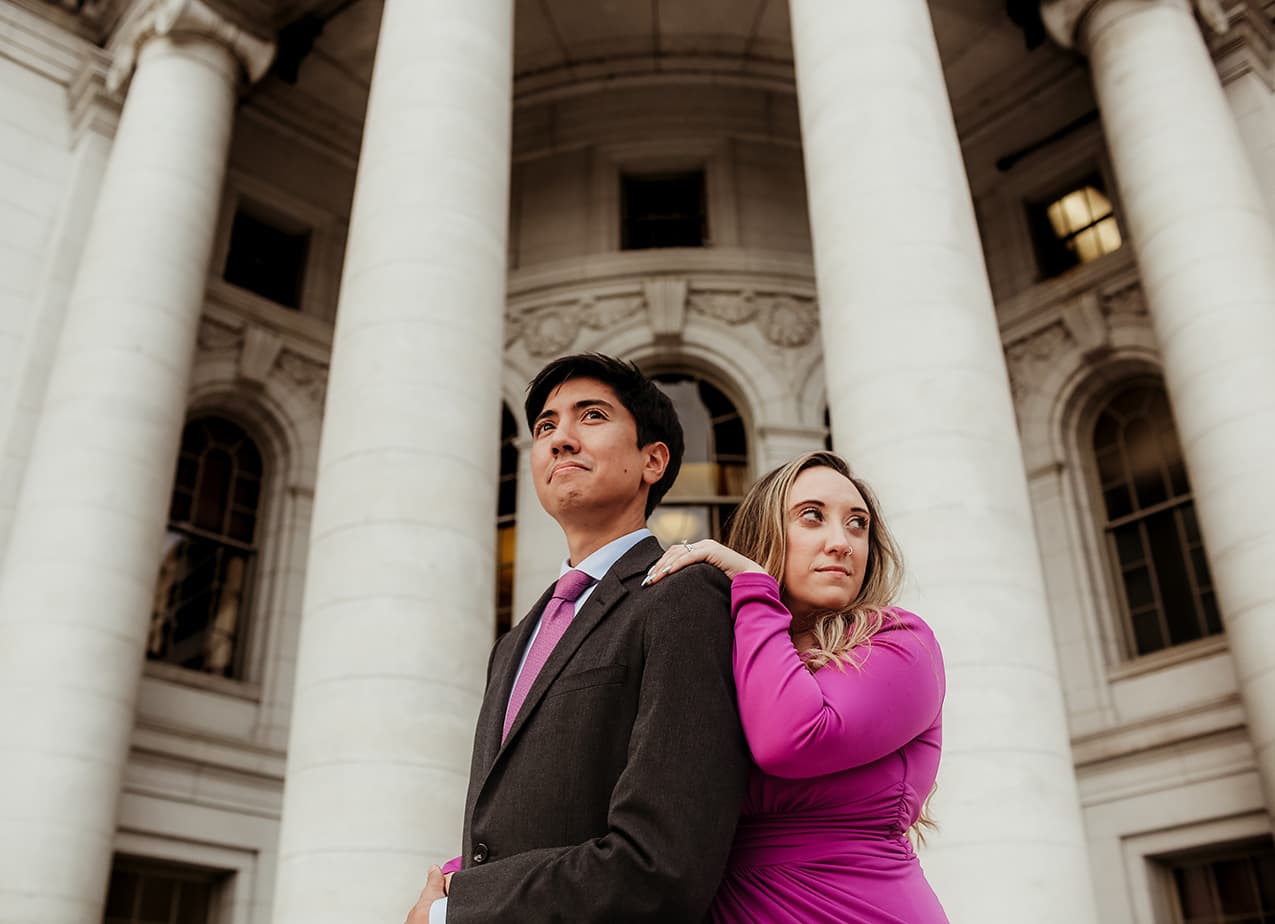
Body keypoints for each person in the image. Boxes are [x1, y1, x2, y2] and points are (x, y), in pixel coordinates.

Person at [405, 353, 750, 924]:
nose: (560, 439)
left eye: (590, 416)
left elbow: (660, 864)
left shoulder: (684, 597)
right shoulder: (514, 643)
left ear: (653, 460)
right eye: (545, 426)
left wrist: (453, 912)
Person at [644, 450, 948, 923]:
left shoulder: (902, 643)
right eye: (812, 517)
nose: (841, 542)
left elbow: (791, 739)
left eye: (857, 524)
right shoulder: (721, 651)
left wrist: (752, 583)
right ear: (765, 532)